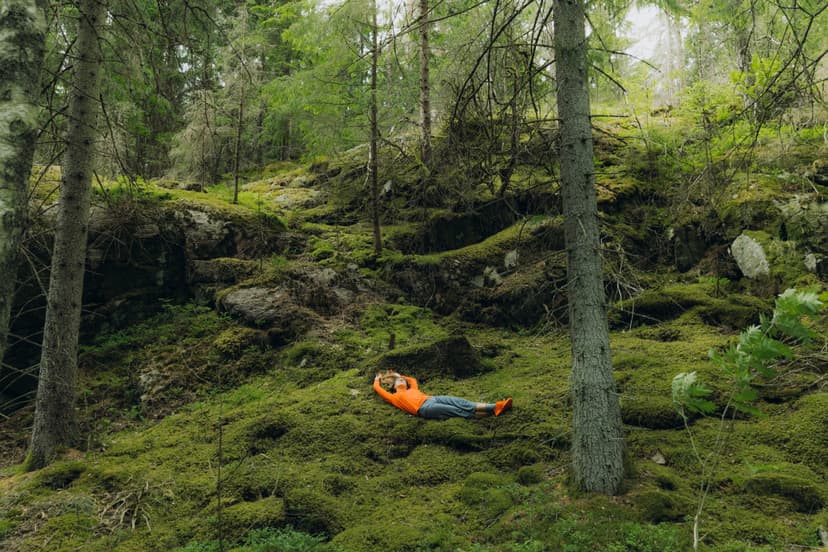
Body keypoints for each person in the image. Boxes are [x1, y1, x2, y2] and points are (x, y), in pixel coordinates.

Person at [373, 371, 512, 420]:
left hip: (433, 398)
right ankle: (492, 413)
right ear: (393, 387)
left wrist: (399, 375)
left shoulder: (412, 389)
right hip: (424, 409)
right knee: (457, 412)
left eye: (402, 380)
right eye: (398, 381)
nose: (402, 381)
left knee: (462, 403)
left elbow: (413, 380)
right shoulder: (394, 398)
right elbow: (377, 388)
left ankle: (496, 406)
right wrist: (377, 379)